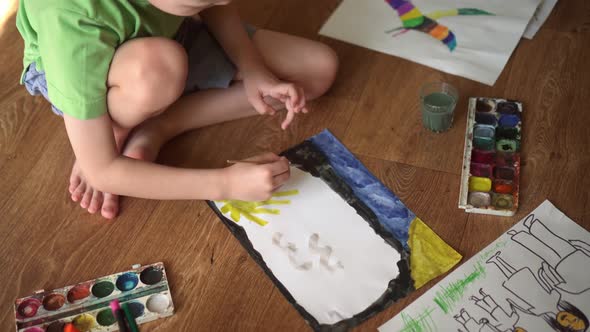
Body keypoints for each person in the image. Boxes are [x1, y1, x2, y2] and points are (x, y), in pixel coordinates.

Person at [17, 0, 339, 219]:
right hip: (104, 71)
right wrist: (226, 185)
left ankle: (160, 124)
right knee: (159, 68)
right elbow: (102, 172)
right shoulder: (69, 17)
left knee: (317, 69)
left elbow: (217, 8)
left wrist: (252, 66)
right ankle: (109, 126)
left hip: (171, 38)